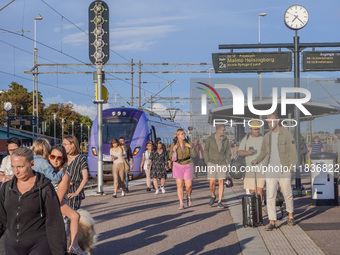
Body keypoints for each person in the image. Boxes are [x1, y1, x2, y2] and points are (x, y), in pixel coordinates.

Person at [0, 147, 67, 254]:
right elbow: (1, 220)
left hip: (39, 244)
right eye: (13, 167)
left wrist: (59, 251)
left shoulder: (44, 187)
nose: (16, 171)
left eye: (20, 167)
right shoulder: (6, 188)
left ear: (32, 164)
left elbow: (54, 222)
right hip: (11, 245)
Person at [251, 112, 297, 231]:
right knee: (270, 195)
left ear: (277, 121)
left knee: (287, 193)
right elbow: (263, 152)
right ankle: (272, 221)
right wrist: (256, 160)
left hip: (284, 168)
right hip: (270, 169)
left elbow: (293, 151)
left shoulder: (286, 134)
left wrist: (291, 167)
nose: (270, 124)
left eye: (271, 121)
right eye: (268, 122)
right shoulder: (267, 136)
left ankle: (290, 216)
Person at [49, 144, 85, 255]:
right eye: (52, 157)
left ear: (63, 160)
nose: (55, 160)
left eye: (59, 158)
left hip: (56, 208)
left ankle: (74, 245)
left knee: (59, 244)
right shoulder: (42, 172)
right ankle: (74, 246)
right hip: (49, 208)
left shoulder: (65, 175)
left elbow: (58, 199)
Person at [204, 124, 231, 209]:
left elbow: (227, 151)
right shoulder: (209, 139)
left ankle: (220, 201)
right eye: (223, 130)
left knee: (221, 182)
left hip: (222, 162)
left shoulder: (225, 140)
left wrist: (229, 163)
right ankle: (213, 195)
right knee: (212, 182)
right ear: (218, 130)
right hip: (211, 162)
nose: (224, 131)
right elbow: (206, 150)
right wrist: (207, 161)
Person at [237, 121, 265, 200]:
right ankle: (255, 208)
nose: (257, 131)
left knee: (260, 190)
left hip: (261, 168)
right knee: (252, 191)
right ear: (250, 129)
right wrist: (248, 152)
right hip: (250, 169)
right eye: (255, 129)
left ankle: (259, 207)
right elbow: (239, 152)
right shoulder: (246, 139)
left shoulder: (263, 139)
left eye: (258, 129)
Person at [170, 129, 196, 210]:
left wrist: (191, 147)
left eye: (184, 133)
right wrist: (174, 150)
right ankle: (181, 203)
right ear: (177, 135)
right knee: (180, 185)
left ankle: (188, 196)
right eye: (181, 134)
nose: (183, 135)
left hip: (188, 165)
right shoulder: (174, 144)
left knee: (188, 186)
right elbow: (170, 157)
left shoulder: (188, 143)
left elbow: (194, 155)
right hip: (177, 165)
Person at [63, 135, 88, 210]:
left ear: (72, 145)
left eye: (65, 144)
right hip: (62, 189)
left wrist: (76, 193)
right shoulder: (63, 158)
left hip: (74, 189)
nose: (63, 146)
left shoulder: (81, 159)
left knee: (72, 215)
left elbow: (85, 178)